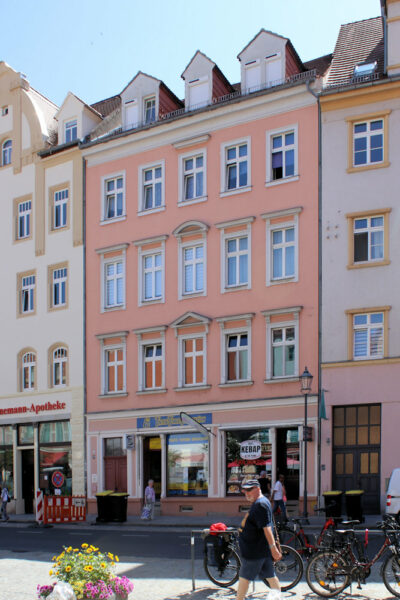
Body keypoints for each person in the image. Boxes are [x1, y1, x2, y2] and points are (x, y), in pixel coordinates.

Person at [236, 479, 281, 600]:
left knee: (244, 579)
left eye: (250, 490)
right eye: (245, 491)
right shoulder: (261, 502)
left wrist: (273, 548)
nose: (247, 493)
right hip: (261, 550)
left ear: (258, 489)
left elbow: (267, 529)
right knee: (271, 577)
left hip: (254, 552)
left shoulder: (260, 504)